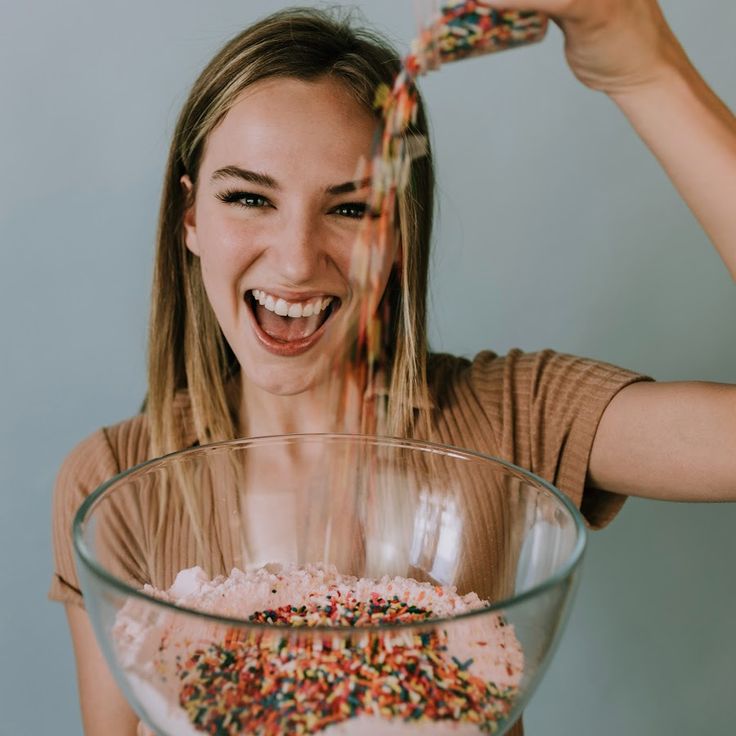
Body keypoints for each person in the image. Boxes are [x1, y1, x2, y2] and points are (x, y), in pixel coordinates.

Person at [49, 2, 736, 734]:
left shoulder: (514, 420)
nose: (294, 258)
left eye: (350, 209)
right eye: (249, 198)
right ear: (190, 219)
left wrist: (645, 68)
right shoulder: (114, 485)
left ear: (400, 231)